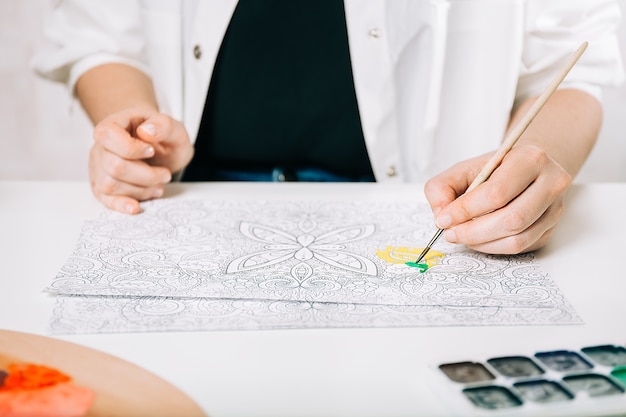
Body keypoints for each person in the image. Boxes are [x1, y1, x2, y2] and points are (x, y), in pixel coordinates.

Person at [32, 0, 624, 255]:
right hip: (185, 200)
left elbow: (576, 63)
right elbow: (98, 28)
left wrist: (535, 160)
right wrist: (136, 130)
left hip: (425, 218)